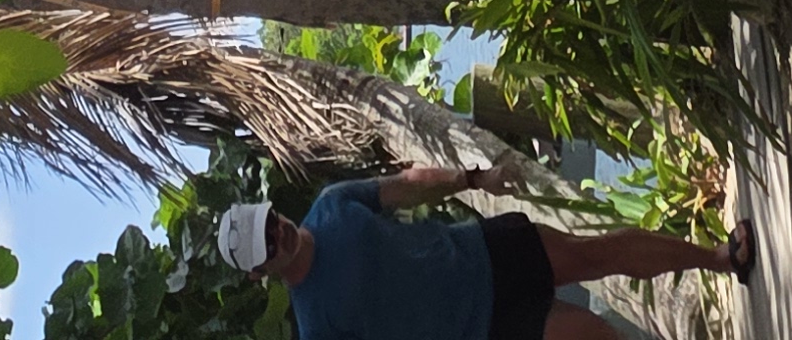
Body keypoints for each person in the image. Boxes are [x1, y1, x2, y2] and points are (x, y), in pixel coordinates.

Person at [217, 166, 750, 340]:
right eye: (265, 246)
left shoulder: (331, 206)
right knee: (599, 337)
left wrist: (478, 177)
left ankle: (720, 259)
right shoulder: (317, 326)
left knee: (598, 255)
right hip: (485, 330)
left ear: (271, 210)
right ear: (259, 273)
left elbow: (409, 185)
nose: (276, 235)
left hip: (486, 252)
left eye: (268, 223)